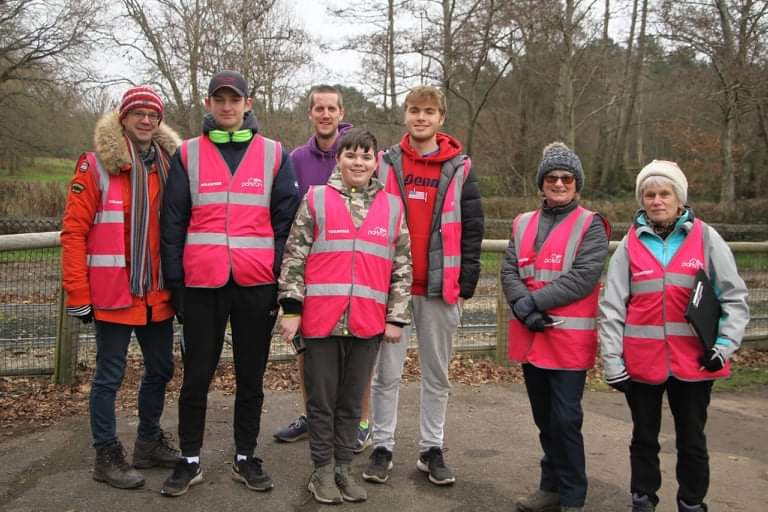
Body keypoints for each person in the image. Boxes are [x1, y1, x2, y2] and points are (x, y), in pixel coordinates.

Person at [159, 70, 299, 497]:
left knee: (251, 376)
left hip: (255, 284)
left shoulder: (275, 154)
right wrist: (176, 282)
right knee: (196, 375)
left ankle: (245, 456)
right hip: (202, 283)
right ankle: (189, 458)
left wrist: (274, 272)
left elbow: (286, 223)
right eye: (219, 99)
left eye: (233, 99)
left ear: (248, 103)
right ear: (208, 104)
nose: (226, 106)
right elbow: (174, 221)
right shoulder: (188, 154)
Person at [599, 160, 749, 512]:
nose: (656, 200)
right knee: (644, 438)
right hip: (642, 363)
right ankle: (643, 498)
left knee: (692, 440)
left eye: (664, 193)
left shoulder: (707, 238)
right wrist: (611, 362)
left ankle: (692, 502)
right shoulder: (629, 245)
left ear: (678, 197)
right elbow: (612, 307)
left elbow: (734, 298)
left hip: (695, 362)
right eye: (649, 194)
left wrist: (724, 347)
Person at [278, 128, 412, 504]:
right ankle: (321, 471)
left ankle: (343, 469)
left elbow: (402, 265)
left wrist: (396, 317)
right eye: (351, 155)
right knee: (321, 400)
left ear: (376, 162)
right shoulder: (316, 199)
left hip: (367, 322)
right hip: (320, 321)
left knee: (352, 402)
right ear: (339, 159)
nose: (358, 162)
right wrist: (291, 308)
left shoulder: (392, 207)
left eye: (366, 156)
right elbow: (294, 256)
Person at [61, 85, 182, 489]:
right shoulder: (97, 166)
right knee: (109, 376)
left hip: (156, 295)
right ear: (124, 118)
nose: (146, 120)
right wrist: (77, 294)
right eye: (138, 113)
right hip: (113, 294)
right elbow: (74, 233)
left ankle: (147, 441)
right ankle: (106, 454)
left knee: (162, 368)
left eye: (153, 114)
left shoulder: (169, 166)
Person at [365, 85, 484, 486]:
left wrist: (466, 281)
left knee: (437, 374)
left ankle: (431, 448)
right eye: (414, 110)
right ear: (405, 114)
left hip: (438, 287)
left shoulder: (461, 167)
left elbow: (472, 227)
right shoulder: (385, 162)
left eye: (429, 112)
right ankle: (382, 446)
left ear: (441, 118)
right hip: (390, 286)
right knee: (386, 375)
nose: (421, 117)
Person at [500, 142, 610, 512]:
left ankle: (573, 496)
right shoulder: (522, 222)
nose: (559, 183)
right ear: (541, 183)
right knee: (545, 420)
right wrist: (521, 306)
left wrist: (530, 302)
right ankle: (550, 487)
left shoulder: (591, 225)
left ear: (576, 184)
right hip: (532, 333)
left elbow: (582, 277)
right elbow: (509, 269)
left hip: (568, 341)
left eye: (566, 178)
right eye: (552, 177)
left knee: (565, 419)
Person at [275, 85, 372, 452]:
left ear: (341, 111)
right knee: (307, 354)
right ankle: (313, 417)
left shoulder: (358, 154)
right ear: (311, 113)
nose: (326, 114)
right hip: (310, 274)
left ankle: (360, 422)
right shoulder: (295, 158)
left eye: (332, 108)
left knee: (355, 355)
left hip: (352, 272)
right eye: (319, 108)